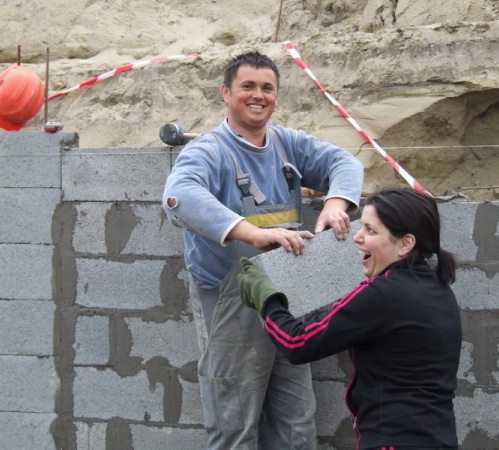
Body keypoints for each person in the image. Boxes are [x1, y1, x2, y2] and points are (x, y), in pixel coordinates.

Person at [162, 51, 363, 449]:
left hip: (287, 302)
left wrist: (336, 202)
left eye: (267, 88)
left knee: (296, 426)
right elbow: (179, 196)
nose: (258, 95)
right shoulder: (209, 150)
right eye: (247, 87)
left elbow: (344, 162)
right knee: (234, 427)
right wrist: (252, 234)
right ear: (226, 93)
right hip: (232, 306)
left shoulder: (287, 145)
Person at [238, 187, 462, 450]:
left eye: (370, 230)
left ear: (405, 244)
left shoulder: (384, 293)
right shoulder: (437, 288)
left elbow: (297, 343)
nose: (357, 237)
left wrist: (267, 299)